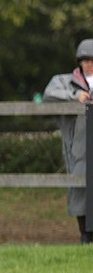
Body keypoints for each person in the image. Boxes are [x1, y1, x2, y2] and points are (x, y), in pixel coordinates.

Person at [44, 38, 93, 243]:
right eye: (85, 60)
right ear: (79, 62)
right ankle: (85, 236)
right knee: (80, 189)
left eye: (92, 60)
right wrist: (74, 96)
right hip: (79, 146)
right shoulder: (64, 81)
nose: (89, 64)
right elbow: (49, 95)